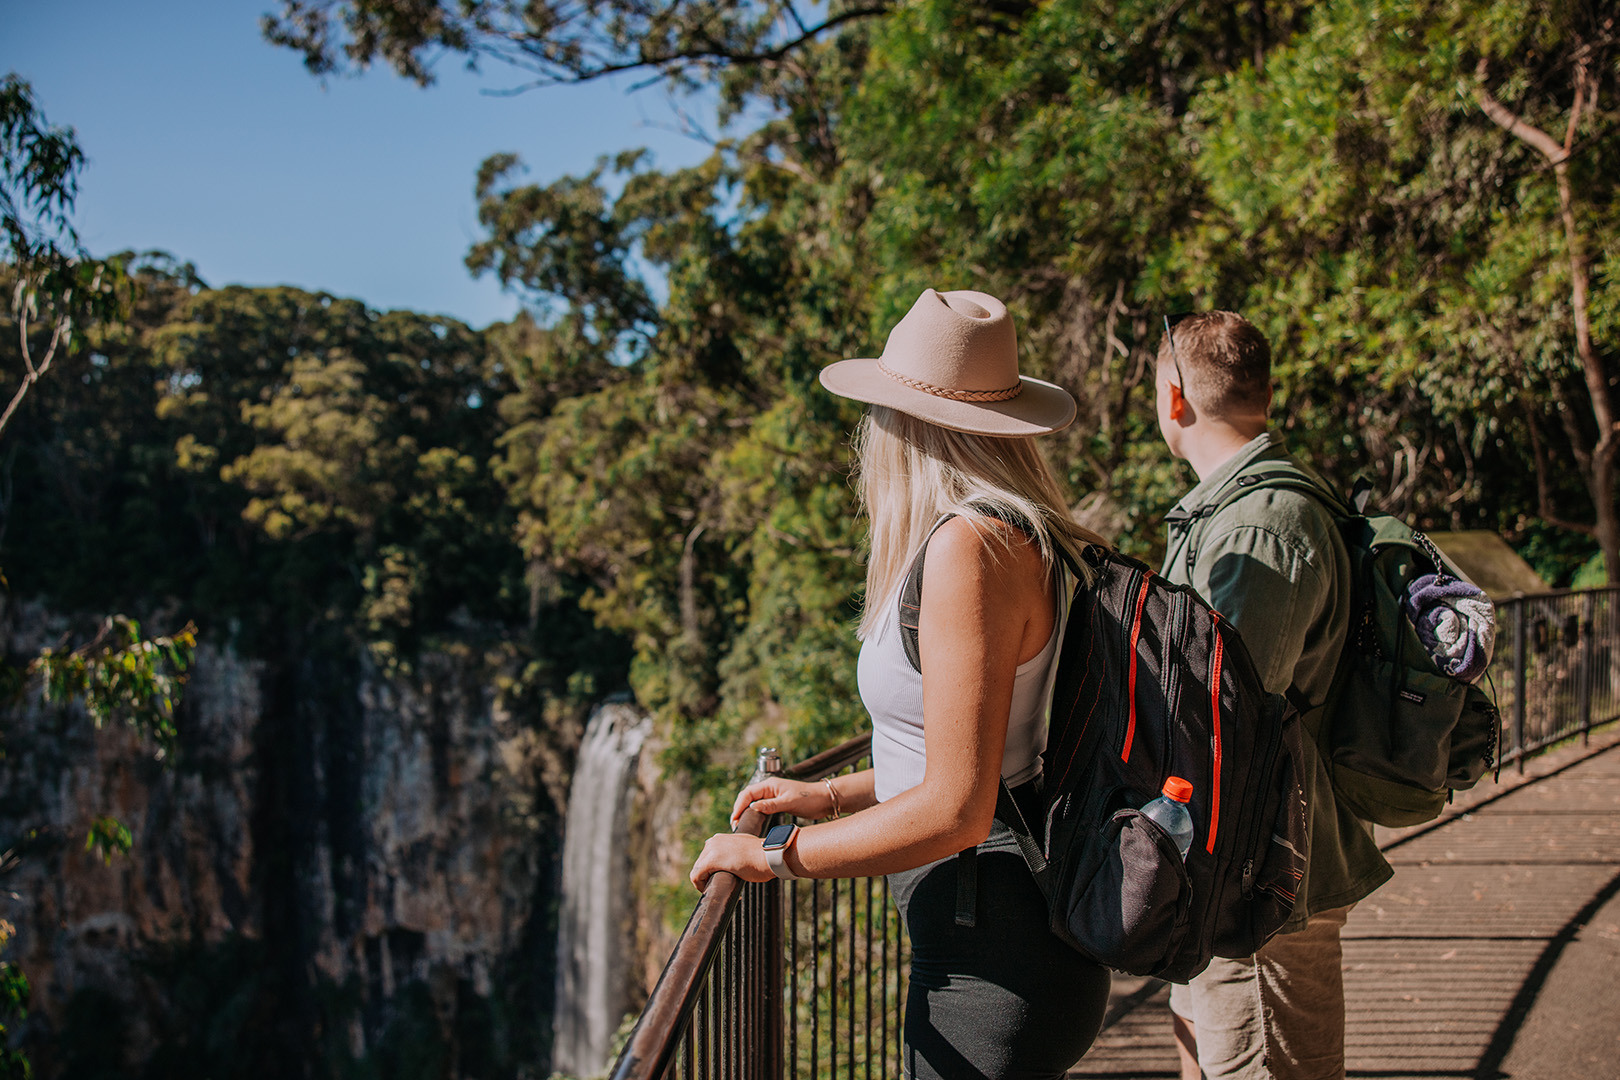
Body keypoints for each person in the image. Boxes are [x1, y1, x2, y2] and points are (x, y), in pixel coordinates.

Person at [689, 288, 1113, 1080]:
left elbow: (958, 807)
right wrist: (833, 795)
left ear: (901, 424)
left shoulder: (970, 551)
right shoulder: (1007, 535)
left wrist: (774, 861)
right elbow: (971, 746)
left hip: (990, 955)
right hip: (990, 935)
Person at [1153, 311, 1393, 1080]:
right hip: (1229, 877)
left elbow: (1225, 714)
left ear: (1174, 398)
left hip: (1262, 888)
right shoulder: (1233, 512)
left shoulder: (1260, 526)